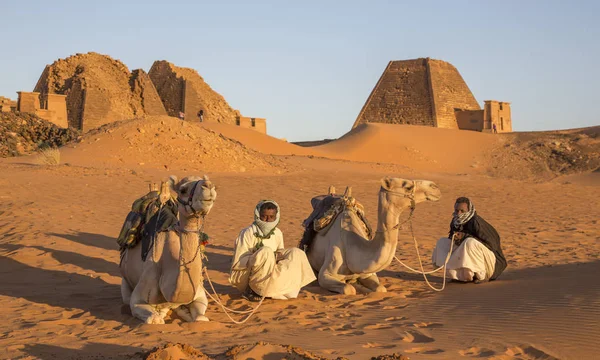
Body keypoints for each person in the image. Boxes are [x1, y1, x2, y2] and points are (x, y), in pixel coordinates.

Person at [229, 200, 316, 301]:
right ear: (258, 215)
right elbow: (239, 261)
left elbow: (280, 252)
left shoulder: (277, 233)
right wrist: (263, 255)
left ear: (276, 217)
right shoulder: (247, 233)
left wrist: (275, 257)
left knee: (296, 253)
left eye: (271, 217)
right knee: (266, 251)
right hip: (248, 275)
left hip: (271, 272)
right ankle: (252, 290)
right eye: (264, 216)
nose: (267, 220)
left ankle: (279, 287)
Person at [431, 197, 507, 283]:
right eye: (456, 210)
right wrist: (456, 238)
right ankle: (458, 275)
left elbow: (493, 245)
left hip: (492, 262)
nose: (459, 213)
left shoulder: (476, 222)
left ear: (469, 210)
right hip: (469, 251)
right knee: (443, 242)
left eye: (462, 211)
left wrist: (465, 236)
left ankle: (481, 276)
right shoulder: (455, 221)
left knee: (470, 242)